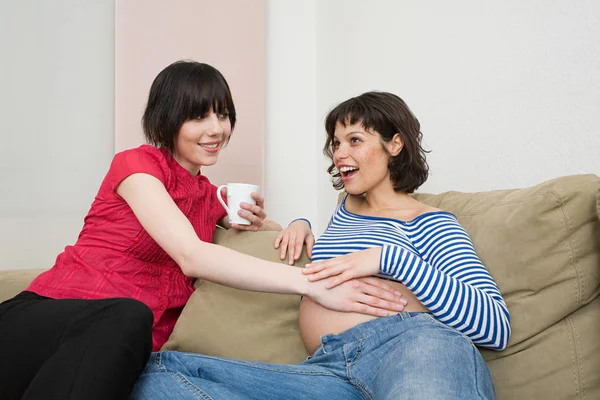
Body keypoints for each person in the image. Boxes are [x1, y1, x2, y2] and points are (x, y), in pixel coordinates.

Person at [0, 64, 406, 400]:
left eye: (223, 115)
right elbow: (192, 255)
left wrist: (296, 223)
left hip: (109, 360)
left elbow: (271, 231)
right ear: (168, 118)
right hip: (44, 324)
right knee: (128, 315)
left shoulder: (211, 199)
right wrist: (312, 284)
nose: (216, 129)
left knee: (139, 347)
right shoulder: (136, 167)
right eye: (199, 116)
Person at [130, 91, 511, 400]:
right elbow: (329, 251)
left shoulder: (431, 222)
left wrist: (389, 259)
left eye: (355, 141)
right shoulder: (345, 211)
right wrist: (299, 224)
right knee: (153, 375)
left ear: (395, 144)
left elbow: (494, 325)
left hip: (410, 345)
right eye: (336, 143)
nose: (340, 153)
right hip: (327, 370)